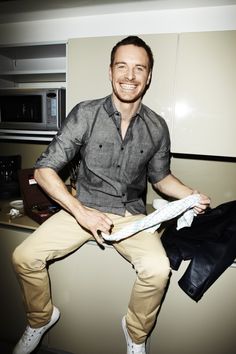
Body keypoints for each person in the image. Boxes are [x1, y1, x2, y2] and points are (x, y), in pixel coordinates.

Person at [12, 35, 210, 354]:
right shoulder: (85, 114)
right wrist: (81, 212)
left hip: (131, 217)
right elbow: (44, 170)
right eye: (122, 66)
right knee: (24, 256)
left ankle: (135, 335)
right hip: (83, 209)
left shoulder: (157, 127)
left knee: (158, 270)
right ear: (110, 71)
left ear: (148, 77)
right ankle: (40, 318)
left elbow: (161, 178)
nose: (129, 76)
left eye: (138, 68)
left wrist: (192, 194)